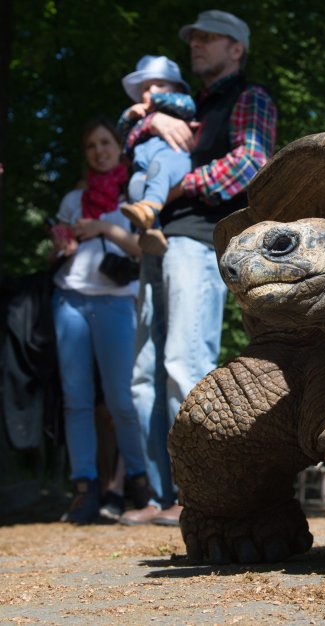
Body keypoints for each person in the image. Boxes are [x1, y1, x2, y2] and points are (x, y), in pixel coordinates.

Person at [119, 10, 277, 526]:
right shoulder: (184, 106)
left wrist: (177, 185)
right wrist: (149, 120)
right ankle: (159, 496)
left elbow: (251, 163)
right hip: (154, 244)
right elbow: (131, 146)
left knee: (183, 362)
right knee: (143, 375)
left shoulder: (249, 97)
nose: (197, 44)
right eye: (194, 38)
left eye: (210, 38)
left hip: (198, 240)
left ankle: (203, 491)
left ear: (237, 48)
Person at [50, 117, 150, 524]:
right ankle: (85, 488)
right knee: (76, 400)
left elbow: (144, 249)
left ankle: (140, 484)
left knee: (122, 401)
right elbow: (57, 250)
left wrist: (104, 226)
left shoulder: (136, 194)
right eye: (91, 145)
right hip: (69, 300)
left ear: (119, 148)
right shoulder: (74, 199)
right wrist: (64, 244)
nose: (99, 151)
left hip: (116, 303)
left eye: (106, 142)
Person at [117, 55, 196, 253]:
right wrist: (129, 115)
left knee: (158, 168)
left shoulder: (179, 103)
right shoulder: (140, 118)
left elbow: (187, 106)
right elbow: (123, 136)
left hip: (171, 158)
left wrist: (156, 100)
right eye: (146, 88)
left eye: (160, 85)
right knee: (135, 186)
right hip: (143, 164)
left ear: (177, 89)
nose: (152, 91)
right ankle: (152, 230)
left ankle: (149, 208)